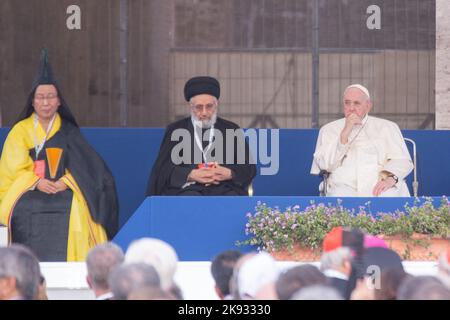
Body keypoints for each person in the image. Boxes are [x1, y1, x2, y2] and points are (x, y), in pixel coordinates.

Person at [0, 49, 119, 262]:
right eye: (41, 98)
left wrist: (68, 182)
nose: (45, 103)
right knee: (24, 207)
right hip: (29, 192)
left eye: (50, 97)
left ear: (59, 101)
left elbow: (89, 169)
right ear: (33, 101)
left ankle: (75, 264)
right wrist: (36, 182)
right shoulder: (21, 130)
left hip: (64, 191)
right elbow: (12, 168)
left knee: (78, 207)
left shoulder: (68, 131)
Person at [147, 76, 256, 196]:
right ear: (190, 106)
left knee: (232, 200)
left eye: (209, 106)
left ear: (216, 105)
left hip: (224, 188)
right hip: (188, 189)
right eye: (199, 107)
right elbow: (162, 170)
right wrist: (189, 174)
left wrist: (230, 173)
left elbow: (249, 168)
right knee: (188, 199)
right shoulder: (176, 130)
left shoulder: (231, 129)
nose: (204, 113)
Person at [311, 84, 413, 197]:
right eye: (347, 103)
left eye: (356, 103)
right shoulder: (329, 129)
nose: (351, 108)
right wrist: (344, 133)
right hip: (343, 186)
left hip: (380, 184)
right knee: (341, 197)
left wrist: (391, 179)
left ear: (368, 106)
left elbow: (402, 160)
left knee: (389, 196)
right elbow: (324, 165)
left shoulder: (387, 127)